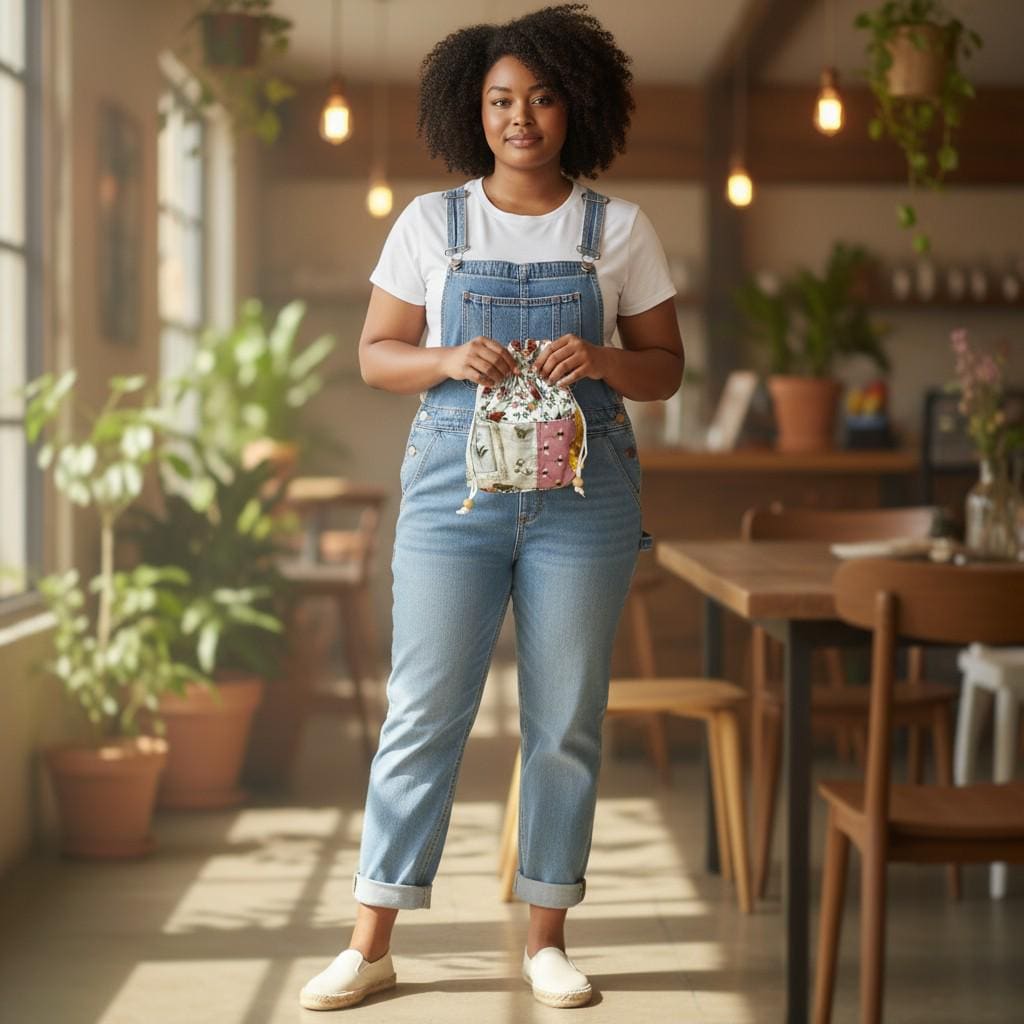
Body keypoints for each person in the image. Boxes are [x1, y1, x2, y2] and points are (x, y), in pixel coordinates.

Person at [299, 3, 684, 1011]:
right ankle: (370, 940)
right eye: (500, 100)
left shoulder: (619, 229)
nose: (521, 118)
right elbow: (376, 354)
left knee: (563, 720)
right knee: (423, 711)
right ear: (472, 112)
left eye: (541, 97)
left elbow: (666, 369)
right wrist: (440, 357)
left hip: (582, 501)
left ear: (575, 105)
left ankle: (547, 938)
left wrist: (601, 358)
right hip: (450, 499)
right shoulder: (432, 222)